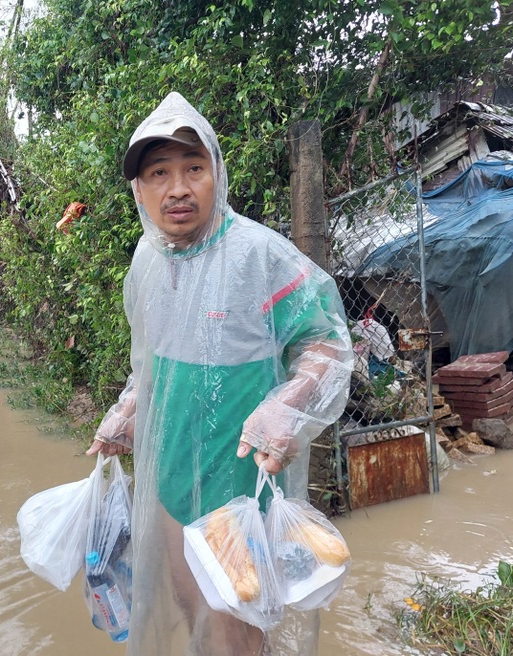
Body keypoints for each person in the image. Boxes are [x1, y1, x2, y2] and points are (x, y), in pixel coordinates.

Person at [86, 92, 354, 655]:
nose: (177, 188)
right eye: (159, 172)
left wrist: (290, 402)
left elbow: (325, 343)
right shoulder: (146, 261)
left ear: (216, 175)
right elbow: (149, 363)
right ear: (139, 189)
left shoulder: (261, 256)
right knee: (191, 608)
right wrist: (130, 410)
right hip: (169, 477)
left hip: (240, 492)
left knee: (235, 626)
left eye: (193, 168)